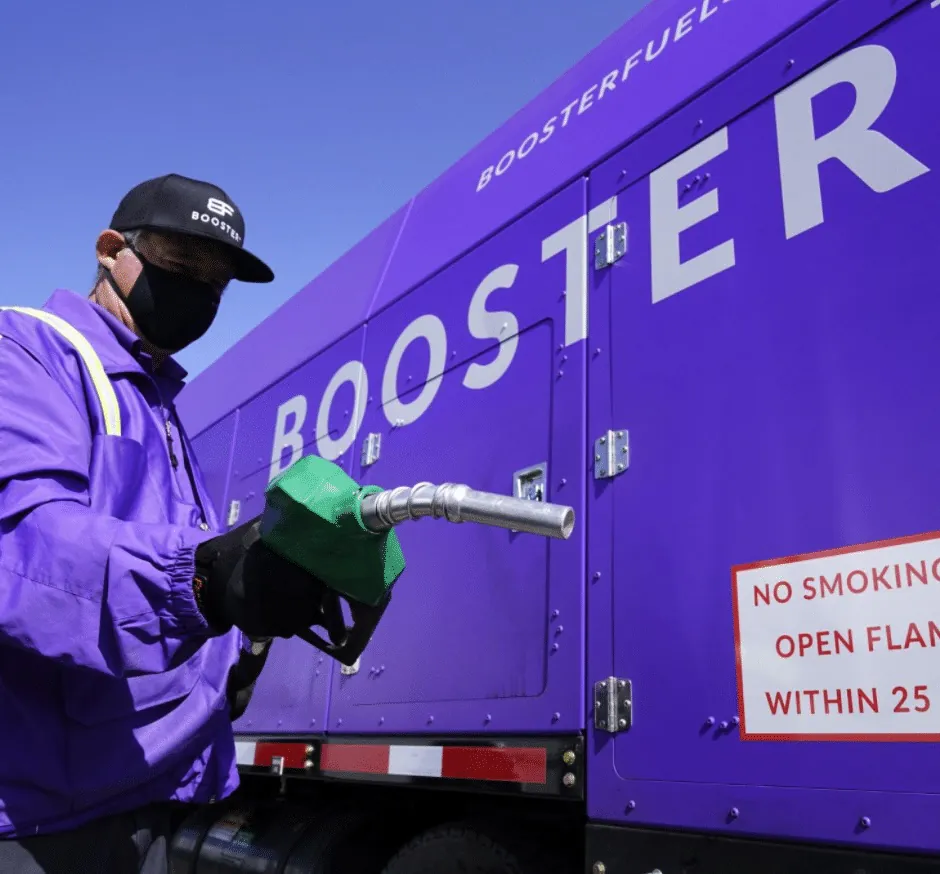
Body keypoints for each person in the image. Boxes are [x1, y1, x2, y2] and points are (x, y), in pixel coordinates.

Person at [0, 174, 336, 873]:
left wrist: (237, 651)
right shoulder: (29, 351)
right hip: (49, 815)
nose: (198, 297)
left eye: (215, 287)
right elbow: (26, 550)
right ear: (110, 250)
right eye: (182, 269)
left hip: (151, 788)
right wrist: (207, 579)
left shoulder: (157, 401)